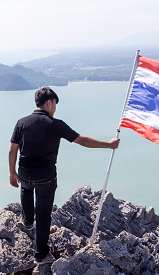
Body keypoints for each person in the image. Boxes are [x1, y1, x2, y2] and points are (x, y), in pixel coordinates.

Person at [8, 87, 120, 265]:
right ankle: (41, 255)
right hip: (46, 176)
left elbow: (13, 150)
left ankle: (28, 221)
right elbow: (82, 140)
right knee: (44, 216)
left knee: (27, 190)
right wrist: (109, 145)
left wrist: (12, 172)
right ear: (49, 103)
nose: (54, 110)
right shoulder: (56, 124)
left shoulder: (21, 123)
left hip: (25, 173)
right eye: (55, 106)